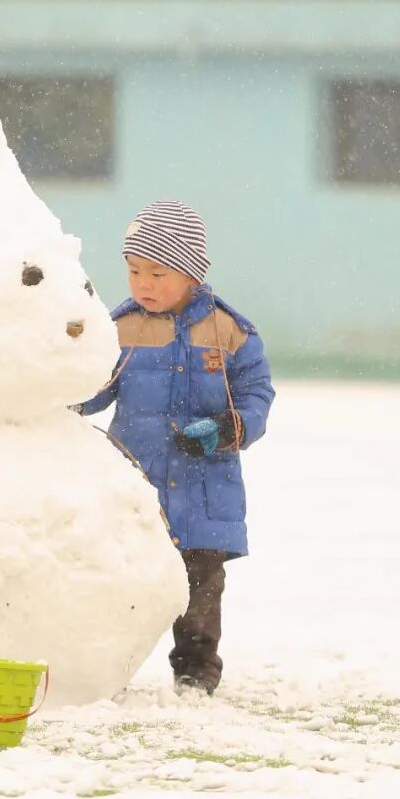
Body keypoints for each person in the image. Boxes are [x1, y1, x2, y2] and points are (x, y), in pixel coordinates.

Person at [79, 200, 275, 694]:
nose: (142, 284)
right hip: (135, 489)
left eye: (157, 273)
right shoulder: (119, 329)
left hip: (205, 490)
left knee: (199, 593)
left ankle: (195, 673)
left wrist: (230, 428)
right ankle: (105, 672)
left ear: (189, 273)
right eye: (133, 271)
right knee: (121, 586)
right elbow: (89, 390)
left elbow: (256, 394)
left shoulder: (229, 331)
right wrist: (59, 391)